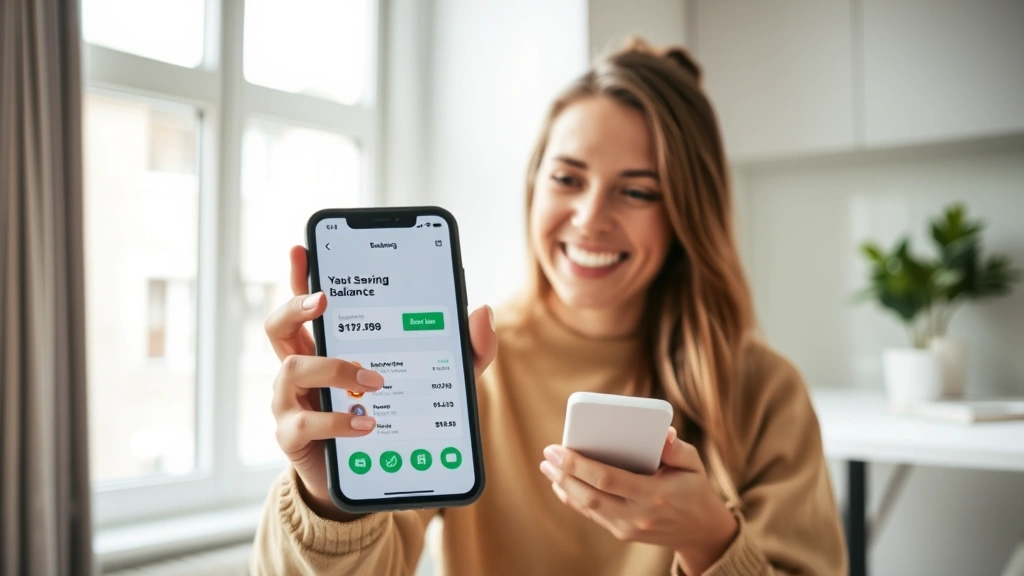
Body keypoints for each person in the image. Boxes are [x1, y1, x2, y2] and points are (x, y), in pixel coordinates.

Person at [252, 39, 846, 576]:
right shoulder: (462, 367)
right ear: (534, 186)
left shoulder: (764, 392)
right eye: (567, 178)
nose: (590, 217)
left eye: (637, 191)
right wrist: (329, 500)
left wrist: (710, 540)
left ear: (686, 212)